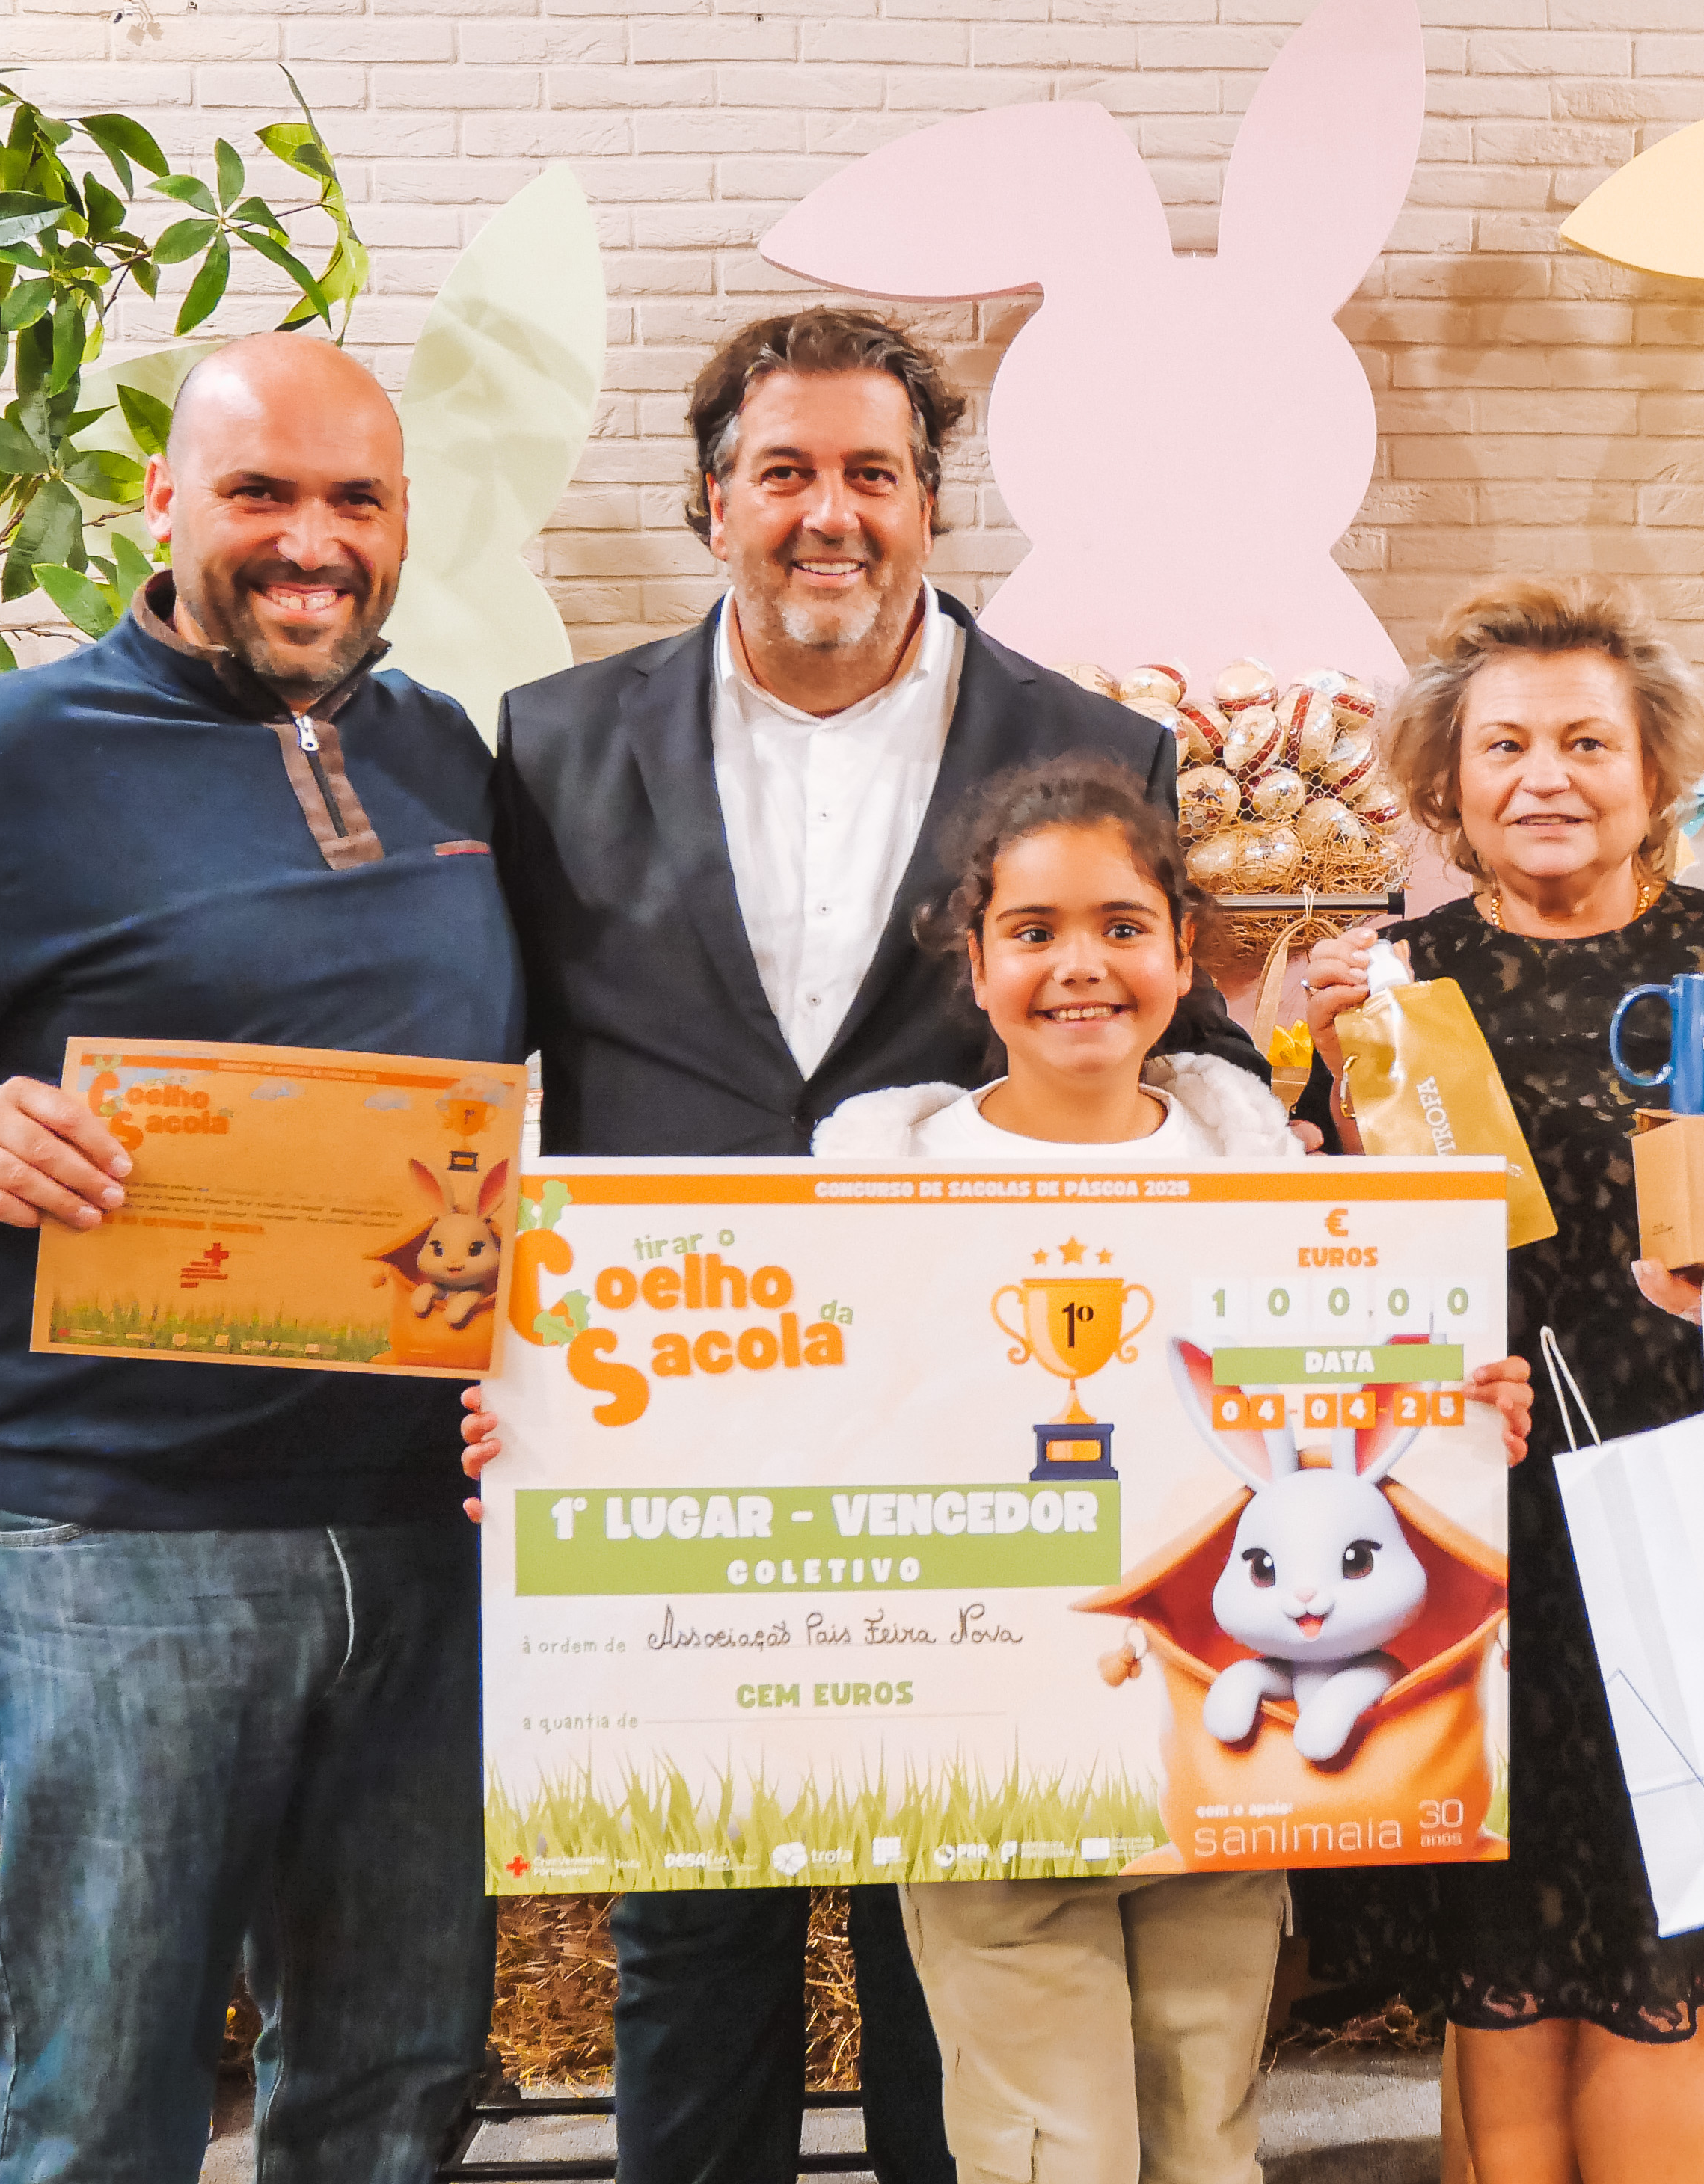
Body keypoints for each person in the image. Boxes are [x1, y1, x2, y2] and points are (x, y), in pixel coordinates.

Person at [466, 757, 1530, 2184]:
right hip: (985, 1774)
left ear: (1182, 953)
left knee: (1205, 2121)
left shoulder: (1268, 1184)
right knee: (1047, 2141)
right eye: (1033, 932)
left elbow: (1349, 1433)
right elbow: (756, 1418)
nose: (1079, 966)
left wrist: (1465, 1422)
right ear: (974, 966)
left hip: (1217, 1758)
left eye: (1121, 926)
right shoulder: (869, 1194)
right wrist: (550, 1451)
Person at [483, 306, 1265, 2184]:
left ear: (930, 501)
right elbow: (485, 1063)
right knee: (693, 1927)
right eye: (785, 472)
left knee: (960, 1930)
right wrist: (484, 1346)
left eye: (873, 473)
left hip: (972, 1433)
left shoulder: (1088, 742)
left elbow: (1168, 1042)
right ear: (712, 500)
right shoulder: (553, 741)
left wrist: (1355, 1288)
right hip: (670, 1415)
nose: (828, 513)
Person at [0, 333, 514, 2183]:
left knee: (398, 2074)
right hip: (126, 1541)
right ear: (162, 502)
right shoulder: (3, 762)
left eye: (354, 498)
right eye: (260, 492)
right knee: (104, 2089)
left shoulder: (444, 750)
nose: (310, 539)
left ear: (404, 520)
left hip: (428, 1523)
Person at [1293, 579, 1704, 2184]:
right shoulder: (1389, 990)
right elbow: (1316, 1287)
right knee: (1498, 1974)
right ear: (1448, 780)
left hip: (1703, 1535)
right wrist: (1302, 1098)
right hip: (1471, 1548)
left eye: (1588, 740)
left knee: (1669, 1975)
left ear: (1654, 772)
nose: (1547, 776)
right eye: (1505, 744)